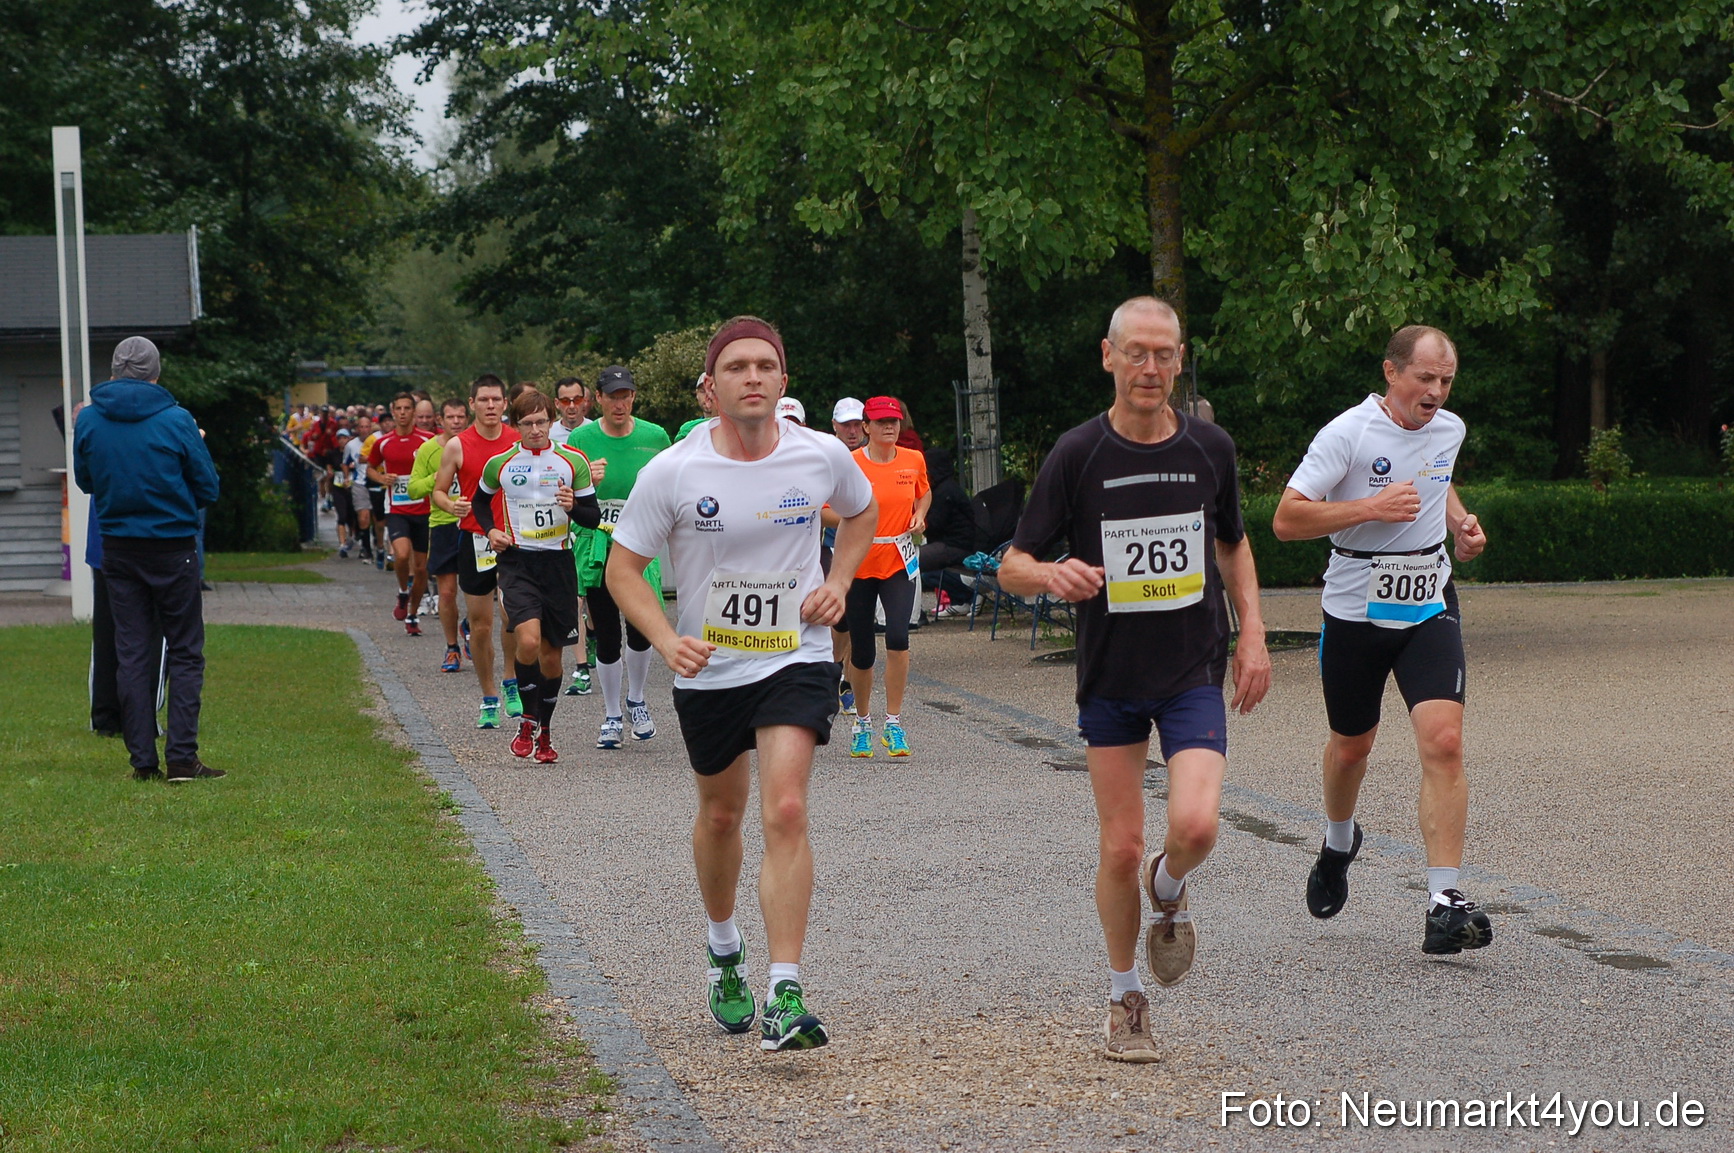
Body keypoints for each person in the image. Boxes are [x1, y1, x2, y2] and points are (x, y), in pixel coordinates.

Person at [997, 297, 1271, 1062]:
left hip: (1191, 669)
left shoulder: (1209, 446)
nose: (1150, 368)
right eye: (1136, 353)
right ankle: (1126, 999)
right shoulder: (1078, 453)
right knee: (1118, 847)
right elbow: (1012, 562)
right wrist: (1052, 572)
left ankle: (1171, 882)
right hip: (1112, 675)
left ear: (1180, 360)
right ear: (1108, 356)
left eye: (1164, 354)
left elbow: (1234, 546)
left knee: (1196, 827)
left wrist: (1252, 631)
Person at [605, 315, 876, 1051]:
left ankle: (785, 989)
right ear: (710, 387)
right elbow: (621, 570)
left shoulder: (820, 455)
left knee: (785, 806)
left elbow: (863, 513)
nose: (751, 377)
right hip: (710, 668)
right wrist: (666, 640)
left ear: (783, 381)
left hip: (795, 653)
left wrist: (839, 581)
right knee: (722, 814)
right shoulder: (677, 471)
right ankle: (724, 948)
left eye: (765, 366)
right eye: (736, 367)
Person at [1270, 323, 1492, 957]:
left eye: (1446, 381)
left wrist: (1461, 526)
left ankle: (1444, 902)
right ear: (1393, 373)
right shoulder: (1347, 433)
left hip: (1428, 600)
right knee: (1351, 746)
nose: (1437, 393)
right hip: (1354, 611)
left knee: (1444, 742)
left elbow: (1438, 478)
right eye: (1426, 378)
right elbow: (1286, 519)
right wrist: (1367, 507)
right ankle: (1339, 840)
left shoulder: (1449, 430)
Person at [73, 336, 224, 783]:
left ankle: (142, 760)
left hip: (118, 546)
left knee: (132, 652)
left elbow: (85, 482)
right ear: (155, 373)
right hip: (172, 546)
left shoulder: (90, 420)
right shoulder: (176, 419)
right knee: (184, 651)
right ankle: (181, 757)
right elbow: (208, 487)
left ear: (116, 371)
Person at [475, 389, 602, 763]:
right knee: (527, 642)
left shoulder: (571, 460)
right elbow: (481, 501)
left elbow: (592, 518)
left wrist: (573, 505)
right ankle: (527, 722)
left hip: (558, 564)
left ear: (551, 421)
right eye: (527, 423)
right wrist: (490, 531)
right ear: (515, 425)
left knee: (552, 657)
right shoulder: (500, 463)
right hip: (518, 562)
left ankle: (542, 729)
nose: (535, 430)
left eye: (541, 422)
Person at [567, 366, 672, 749]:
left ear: (634, 397)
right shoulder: (581, 438)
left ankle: (637, 699)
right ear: (598, 399)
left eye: (625, 395)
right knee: (606, 631)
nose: (619, 403)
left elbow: (670, 484)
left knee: (643, 626)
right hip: (598, 544)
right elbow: (566, 494)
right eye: (612, 396)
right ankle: (612, 714)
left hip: (640, 543)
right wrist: (586, 485)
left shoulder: (654, 436)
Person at [843, 396, 930, 759]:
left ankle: (893, 723)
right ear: (866, 427)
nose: (889, 428)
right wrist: (860, 523)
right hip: (860, 562)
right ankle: (862, 723)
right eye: (880, 422)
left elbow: (923, 494)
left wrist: (919, 516)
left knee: (897, 636)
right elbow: (828, 511)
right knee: (862, 653)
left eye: (894, 421)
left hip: (898, 560)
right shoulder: (850, 464)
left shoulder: (913, 460)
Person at [433, 375, 521, 728]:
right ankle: (488, 696)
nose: (490, 406)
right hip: (475, 540)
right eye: (483, 400)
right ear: (472, 404)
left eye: (496, 400)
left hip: (514, 539)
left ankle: (511, 680)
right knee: (482, 626)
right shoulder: (457, 445)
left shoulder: (517, 442)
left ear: (504, 404)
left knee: (513, 615)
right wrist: (450, 503)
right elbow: (438, 491)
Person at [410, 397, 472, 672]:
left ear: (467, 418)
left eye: (461, 417)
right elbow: (413, 489)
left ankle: (470, 624)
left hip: (476, 525)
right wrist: (434, 479)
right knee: (447, 593)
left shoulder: (475, 445)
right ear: (441, 420)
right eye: (451, 418)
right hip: (443, 524)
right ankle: (451, 648)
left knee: (483, 590)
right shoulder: (427, 450)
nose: (456, 422)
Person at [369, 392, 434, 635]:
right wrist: (382, 477)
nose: (403, 412)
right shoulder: (383, 442)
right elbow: (370, 468)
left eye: (408, 408)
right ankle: (402, 591)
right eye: (399, 408)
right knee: (401, 554)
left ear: (414, 412)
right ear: (392, 411)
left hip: (425, 510)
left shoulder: (428, 440)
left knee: (421, 570)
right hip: (396, 508)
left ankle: (413, 614)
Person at [826, 397, 867, 709]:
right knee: (840, 619)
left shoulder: (874, 456)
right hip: (833, 544)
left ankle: (847, 682)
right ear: (835, 426)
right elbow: (819, 509)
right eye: (846, 425)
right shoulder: (827, 456)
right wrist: (858, 521)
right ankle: (833, 667)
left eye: (857, 424)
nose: (852, 431)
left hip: (872, 548)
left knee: (859, 620)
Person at [919, 451, 980, 615]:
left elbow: (935, 524)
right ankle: (961, 598)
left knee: (914, 563)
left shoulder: (943, 492)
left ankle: (964, 596)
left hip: (956, 545)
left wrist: (917, 519)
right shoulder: (946, 488)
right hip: (955, 542)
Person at [675, 375, 714, 441]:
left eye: (712, 390)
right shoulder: (689, 430)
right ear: (697, 394)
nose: (707, 395)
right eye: (702, 391)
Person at [552, 376, 592, 441]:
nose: (572, 406)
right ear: (557, 403)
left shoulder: (595, 432)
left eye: (577, 400)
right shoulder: (548, 435)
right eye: (565, 401)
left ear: (584, 401)